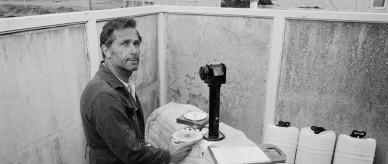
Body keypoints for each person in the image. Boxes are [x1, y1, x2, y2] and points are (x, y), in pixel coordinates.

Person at [80, 17, 195, 164]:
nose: (134, 50)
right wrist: (169, 156)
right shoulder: (105, 95)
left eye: (136, 43)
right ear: (106, 51)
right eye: (125, 44)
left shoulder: (120, 83)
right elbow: (131, 153)